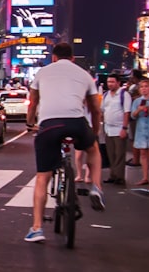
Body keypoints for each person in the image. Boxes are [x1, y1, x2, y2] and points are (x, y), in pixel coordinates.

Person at [24, 42, 105, 244]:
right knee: (93, 150)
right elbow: (95, 109)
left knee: (43, 176)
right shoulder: (85, 75)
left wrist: (30, 123)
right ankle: (96, 187)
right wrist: (94, 132)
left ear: (53, 57)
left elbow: (33, 102)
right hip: (76, 123)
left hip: (49, 125)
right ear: (72, 58)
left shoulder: (42, 72)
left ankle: (37, 228)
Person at [100, 74, 131, 185]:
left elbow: (127, 112)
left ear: (118, 83)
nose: (110, 84)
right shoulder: (106, 95)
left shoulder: (124, 95)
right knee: (111, 153)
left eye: (112, 82)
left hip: (119, 128)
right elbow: (102, 110)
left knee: (119, 154)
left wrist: (124, 128)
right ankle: (113, 175)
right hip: (108, 128)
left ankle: (120, 176)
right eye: (109, 82)